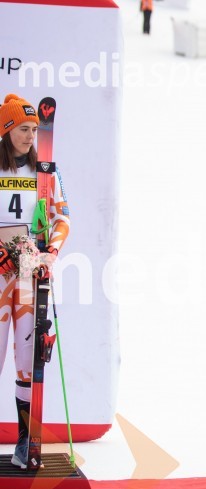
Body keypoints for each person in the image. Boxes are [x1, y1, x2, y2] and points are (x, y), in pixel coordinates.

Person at [0, 94, 70, 469]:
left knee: (28, 363)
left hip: (29, 275)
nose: (30, 136)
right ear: (6, 130)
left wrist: (51, 254)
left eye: (34, 129)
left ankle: (26, 442)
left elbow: (62, 220)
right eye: (23, 129)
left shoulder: (45, 173)